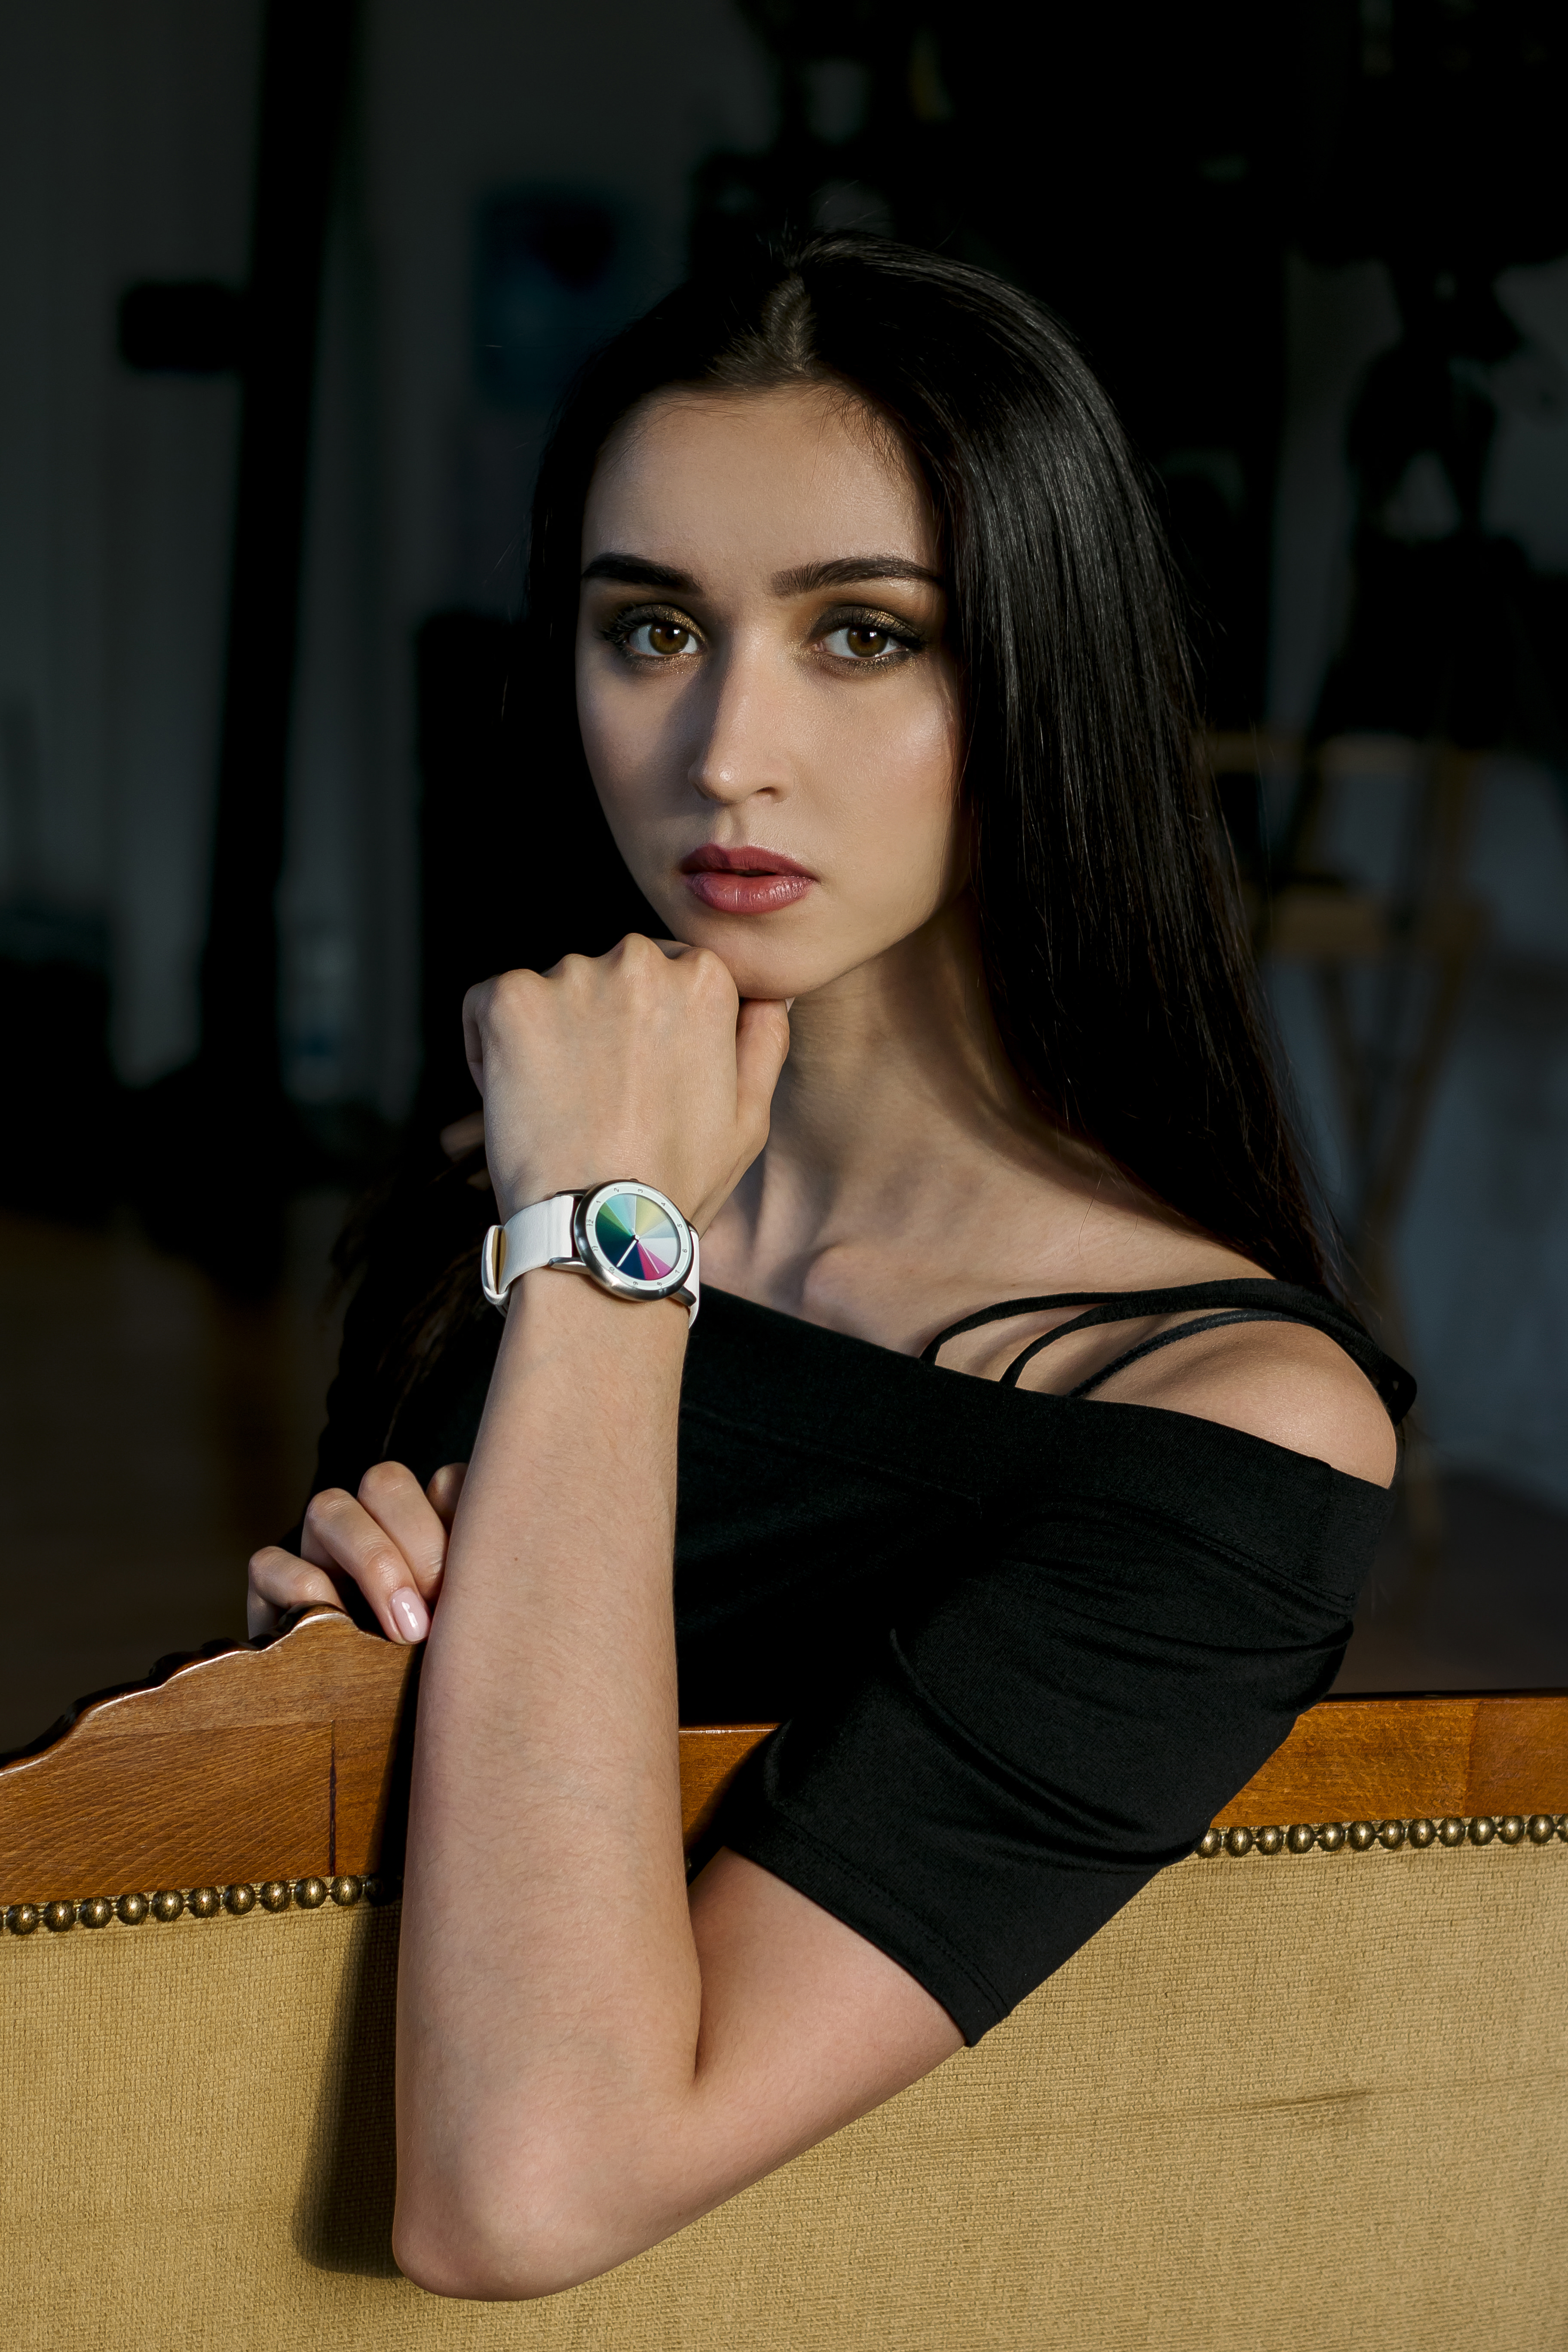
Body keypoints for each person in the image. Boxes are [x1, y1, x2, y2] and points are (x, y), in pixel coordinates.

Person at [247, 235, 1411, 2301]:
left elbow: (527, 2191)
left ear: (1041, 673)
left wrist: (604, 1263)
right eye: (652, 627)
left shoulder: (1224, 1433)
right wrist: (299, 1718)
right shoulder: (508, 1191)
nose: (724, 749)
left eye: (863, 634)